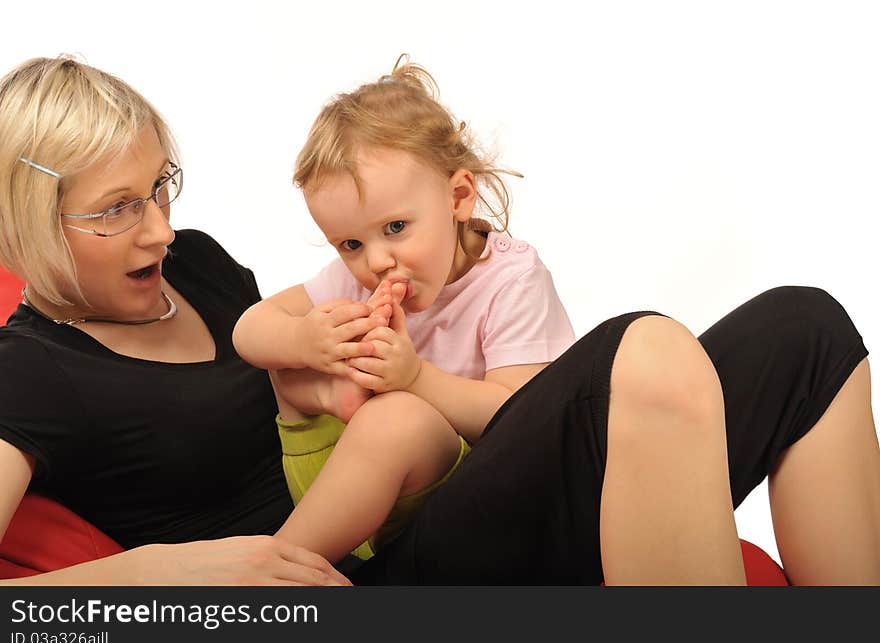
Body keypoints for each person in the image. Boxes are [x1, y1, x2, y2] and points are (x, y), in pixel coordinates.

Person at [0, 56, 878, 586]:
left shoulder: (192, 264)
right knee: (638, 351)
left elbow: (296, 372)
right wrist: (152, 578)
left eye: (160, 186)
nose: (159, 226)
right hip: (356, 582)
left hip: (427, 505)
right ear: (33, 224)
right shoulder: (26, 370)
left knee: (807, 328)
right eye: (117, 209)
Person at [231, 59, 576, 564]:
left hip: (480, 510)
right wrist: (307, 341)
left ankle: (271, 568)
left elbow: (520, 418)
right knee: (285, 368)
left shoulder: (511, 281)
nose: (373, 262)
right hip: (348, 499)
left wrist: (414, 378)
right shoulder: (354, 277)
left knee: (398, 416)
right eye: (350, 243)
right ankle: (288, 561)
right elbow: (248, 329)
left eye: (395, 228)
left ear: (458, 196)